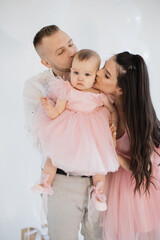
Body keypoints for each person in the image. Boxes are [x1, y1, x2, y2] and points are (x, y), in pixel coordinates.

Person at [23, 25, 103, 240]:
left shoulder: (97, 75)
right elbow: (39, 137)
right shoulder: (37, 87)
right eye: (61, 52)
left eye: (70, 43)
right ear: (46, 62)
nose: (72, 52)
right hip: (62, 179)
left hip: (101, 178)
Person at [31, 49, 119, 211]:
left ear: (95, 76)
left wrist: (113, 122)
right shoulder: (67, 89)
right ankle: (45, 182)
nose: (80, 78)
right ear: (70, 71)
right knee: (53, 156)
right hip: (68, 129)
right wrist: (48, 108)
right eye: (76, 72)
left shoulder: (99, 95)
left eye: (87, 75)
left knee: (98, 164)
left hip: (92, 133)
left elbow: (112, 109)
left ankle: (99, 193)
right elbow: (57, 112)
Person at [94, 51, 160, 240]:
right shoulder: (104, 102)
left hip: (132, 186)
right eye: (103, 67)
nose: (97, 74)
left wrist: (111, 153)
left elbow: (142, 169)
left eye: (106, 74)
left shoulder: (138, 123)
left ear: (120, 90)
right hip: (108, 180)